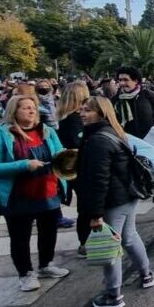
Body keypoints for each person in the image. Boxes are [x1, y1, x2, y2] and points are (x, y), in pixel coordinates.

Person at [76, 97, 154, 307]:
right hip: (127, 196)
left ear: (101, 113)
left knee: (109, 247)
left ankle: (113, 295)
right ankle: (146, 274)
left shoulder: (97, 140)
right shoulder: (113, 132)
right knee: (130, 237)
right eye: (81, 110)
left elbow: (99, 179)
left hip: (113, 200)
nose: (82, 114)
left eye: (88, 110)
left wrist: (95, 213)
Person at [0, 95, 69, 292]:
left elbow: (59, 153)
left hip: (47, 192)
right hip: (18, 196)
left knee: (49, 231)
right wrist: (23, 165)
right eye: (26, 108)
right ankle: (25, 273)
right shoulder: (2, 135)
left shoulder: (46, 131)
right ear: (14, 112)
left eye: (33, 108)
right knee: (20, 236)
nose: (31, 111)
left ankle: (46, 264)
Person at [111, 67, 154, 220]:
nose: (122, 83)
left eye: (126, 79)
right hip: (126, 147)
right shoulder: (115, 101)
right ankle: (128, 214)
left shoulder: (149, 96)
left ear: (136, 80)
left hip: (150, 144)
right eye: (120, 80)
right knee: (130, 178)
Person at [56, 81, 91, 256]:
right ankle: (85, 242)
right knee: (87, 206)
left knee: (86, 205)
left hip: (76, 168)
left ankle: (85, 240)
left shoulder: (67, 119)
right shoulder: (73, 120)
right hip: (81, 168)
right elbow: (79, 144)